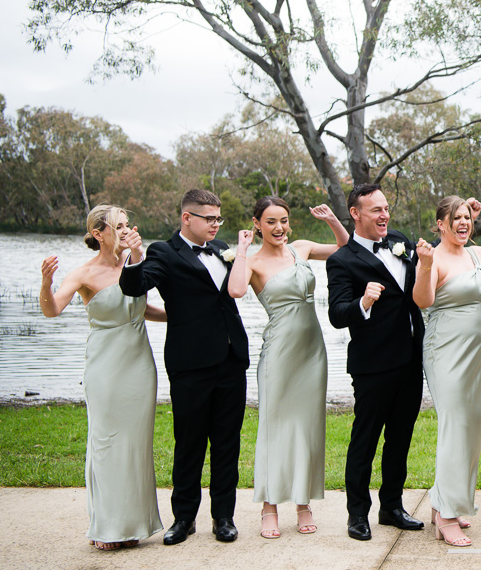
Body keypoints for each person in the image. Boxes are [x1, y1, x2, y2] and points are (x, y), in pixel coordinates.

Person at [121, 189, 249, 545]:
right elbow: (134, 287)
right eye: (209, 218)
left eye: (218, 218)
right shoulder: (164, 252)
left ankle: (224, 517)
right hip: (190, 364)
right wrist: (135, 254)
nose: (216, 224)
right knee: (189, 444)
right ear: (187, 218)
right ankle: (184, 518)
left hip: (231, 360)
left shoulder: (221, 248)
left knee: (227, 444)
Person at [39, 205, 166, 550]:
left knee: (135, 445)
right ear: (98, 233)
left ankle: (134, 524)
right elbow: (52, 309)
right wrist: (46, 283)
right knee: (106, 442)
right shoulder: (83, 274)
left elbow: (141, 308)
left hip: (139, 364)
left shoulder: (133, 265)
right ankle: (107, 526)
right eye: (118, 226)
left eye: (127, 224)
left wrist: (184, 315)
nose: (126, 231)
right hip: (105, 367)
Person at [228, 198, 349, 538]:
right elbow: (235, 290)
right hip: (279, 353)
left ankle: (303, 503)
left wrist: (332, 220)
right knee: (275, 427)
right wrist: (241, 249)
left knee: (306, 427)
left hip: (312, 352)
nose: (279, 227)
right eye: (270, 221)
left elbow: (345, 248)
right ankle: (269, 507)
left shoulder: (302, 249)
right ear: (257, 224)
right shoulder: (252, 263)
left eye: (283, 220)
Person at [412, 196, 481, 547]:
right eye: (456, 218)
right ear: (440, 224)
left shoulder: (479, 254)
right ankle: (446, 517)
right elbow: (423, 301)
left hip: (478, 355)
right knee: (455, 425)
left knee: (472, 426)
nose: (463, 222)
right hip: (445, 352)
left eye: (467, 217)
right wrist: (425, 266)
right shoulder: (432, 258)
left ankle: (447, 501)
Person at [326, 184, 425, 541]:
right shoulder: (342, 260)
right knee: (365, 440)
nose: (385, 215)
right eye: (376, 210)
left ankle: (392, 507)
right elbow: (337, 314)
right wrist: (364, 302)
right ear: (355, 214)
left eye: (386, 208)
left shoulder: (399, 241)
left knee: (400, 438)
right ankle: (357, 514)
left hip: (411, 360)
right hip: (373, 365)